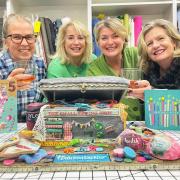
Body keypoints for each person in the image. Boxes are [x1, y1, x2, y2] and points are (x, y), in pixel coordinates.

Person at [87, 17, 146, 121]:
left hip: (145, 123)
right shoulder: (92, 70)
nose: (110, 42)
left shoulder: (136, 55)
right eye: (104, 38)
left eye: (115, 36)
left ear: (124, 38)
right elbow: (94, 107)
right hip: (112, 126)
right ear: (98, 42)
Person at [0, 14, 46, 122]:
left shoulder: (40, 64)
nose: (25, 43)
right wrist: (6, 91)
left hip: (32, 131)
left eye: (29, 37)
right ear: (5, 41)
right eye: (16, 37)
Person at [138, 19, 180, 89]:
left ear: (174, 42)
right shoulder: (147, 71)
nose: (155, 45)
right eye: (149, 43)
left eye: (161, 38)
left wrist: (151, 92)